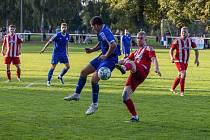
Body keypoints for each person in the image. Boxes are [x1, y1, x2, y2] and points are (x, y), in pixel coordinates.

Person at [64, 16, 118, 115]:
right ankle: (76, 94)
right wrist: (92, 50)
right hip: (103, 57)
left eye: (92, 26)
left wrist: (106, 55)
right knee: (83, 72)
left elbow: (113, 45)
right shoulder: (100, 31)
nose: (92, 28)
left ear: (97, 25)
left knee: (93, 80)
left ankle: (94, 105)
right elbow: (102, 42)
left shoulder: (105, 31)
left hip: (110, 59)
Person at [115, 31, 161, 122]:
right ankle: (135, 117)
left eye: (141, 38)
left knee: (131, 63)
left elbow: (154, 59)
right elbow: (124, 59)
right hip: (134, 74)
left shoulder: (148, 48)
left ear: (145, 39)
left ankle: (124, 69)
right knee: (125, 97)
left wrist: (157, 69)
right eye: (138, 38)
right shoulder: (135, 52)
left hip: (142, 71)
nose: (139, 40)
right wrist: (112, 63)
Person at [169, 27, 199, 96]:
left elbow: (196, 50)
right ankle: (182, 92)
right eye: (182, 32)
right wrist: (171, 57)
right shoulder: (177, 41)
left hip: (185, 61)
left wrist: (197, 59)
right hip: (178, 60)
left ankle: (172, 88)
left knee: (180, 75)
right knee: (183, 73)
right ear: (180, 32)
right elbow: (171, 50)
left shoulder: (190, 41)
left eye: (185, 32)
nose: (183, 33)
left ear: (188, 33)